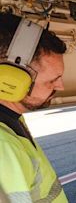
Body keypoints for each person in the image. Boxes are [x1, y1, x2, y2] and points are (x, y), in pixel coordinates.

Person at [0, 13, 68, 202]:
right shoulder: (3, 146)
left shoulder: (11, 116)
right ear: (10, 80)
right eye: (52, 80)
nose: (61, 86)